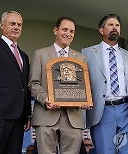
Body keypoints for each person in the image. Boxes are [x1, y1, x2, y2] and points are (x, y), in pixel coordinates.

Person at [28, 17, 89, 154]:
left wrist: (85, 100)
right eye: (65, 29)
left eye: (72, 31)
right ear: (56, 30)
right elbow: (33, 83)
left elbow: (84, 86)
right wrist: (45, 99)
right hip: (46, 115)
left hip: (73, 118)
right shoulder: (40, 54)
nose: (68, 33)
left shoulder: (81, 58)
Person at [81, 14, 128, 154]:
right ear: (101, 30)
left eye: (117, 25)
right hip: (102, 111)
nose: (115, 28)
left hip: (127, 112)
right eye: (110, 25)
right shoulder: (87, 53)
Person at [0, 11, 31, 154]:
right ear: (2, 25)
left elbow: (25, 85)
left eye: (19, 24)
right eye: (12, 23)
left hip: (19, 118)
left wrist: (27, 114)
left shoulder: (24, 56)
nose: (16, 27)